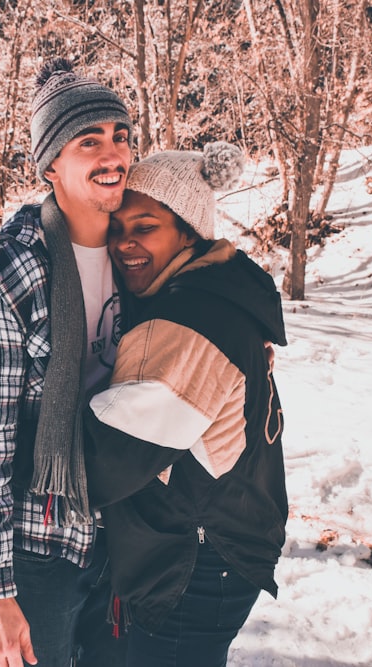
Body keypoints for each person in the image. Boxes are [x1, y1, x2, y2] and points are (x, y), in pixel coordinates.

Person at [0, 57, 133, 667]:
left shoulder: (143, 249)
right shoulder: (5, 275)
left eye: (120, 136)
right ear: (50, 164)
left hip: (126, 532)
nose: (113, 155)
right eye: (89, 141)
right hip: (37, 546)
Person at [83, 142, 289, 667]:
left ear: (188, 230)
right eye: (118, 229)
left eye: (145, 226)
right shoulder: (216, 289)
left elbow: (113, 455)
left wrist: (13, 447)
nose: (126, 243)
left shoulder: (189, 320)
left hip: (192, 560)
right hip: (217, 544)